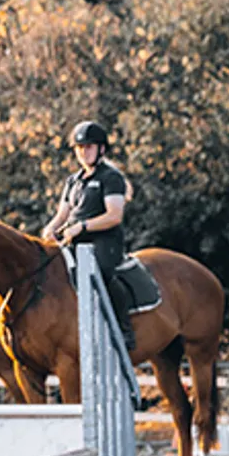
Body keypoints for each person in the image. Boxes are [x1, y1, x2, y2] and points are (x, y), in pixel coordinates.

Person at [43, 121, 137, 339]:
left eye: (89, 147)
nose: (83, 152)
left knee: (102, 273)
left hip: (104, 241)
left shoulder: (111, 177)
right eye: (79, 148)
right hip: (74, 240)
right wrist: (50, 229)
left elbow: (114, 215)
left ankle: (123, 329)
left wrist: (82, 226)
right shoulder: (72, 181)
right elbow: (62, 214)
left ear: (101, 149)